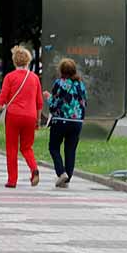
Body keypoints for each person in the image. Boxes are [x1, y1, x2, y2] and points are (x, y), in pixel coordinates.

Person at [0, 46, 42, 188]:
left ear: (14, 61)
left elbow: (2, 98)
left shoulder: (9, 77)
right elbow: (39, 102)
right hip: (30, 116)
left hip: (13, 116)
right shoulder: (35, 78)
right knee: (27, 147)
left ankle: (12, 180)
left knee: (11, 147)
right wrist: (37, 120)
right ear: (28, 61)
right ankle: (34, 169)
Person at [43, 58, 86, 188]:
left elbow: (54, 104)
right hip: (76, 121)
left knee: (54, 147)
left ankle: (61, 173)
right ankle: (67, 178)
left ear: (61, 70)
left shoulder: (59, 83)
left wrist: (48, 97)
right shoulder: (81, 85)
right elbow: (83, 102)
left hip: (61, 121)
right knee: (70, 149)